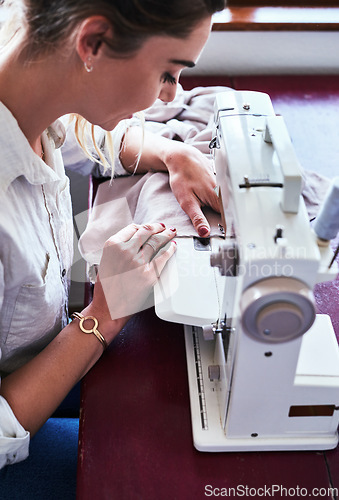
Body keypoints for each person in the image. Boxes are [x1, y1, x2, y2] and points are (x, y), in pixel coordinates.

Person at [0, 0, 225, 468]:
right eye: (167, 72)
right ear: (93, 43)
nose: (170, 96)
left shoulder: (28, 69)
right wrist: (103, 315)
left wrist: (170, 153)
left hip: (34, 356)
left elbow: (90, 137)